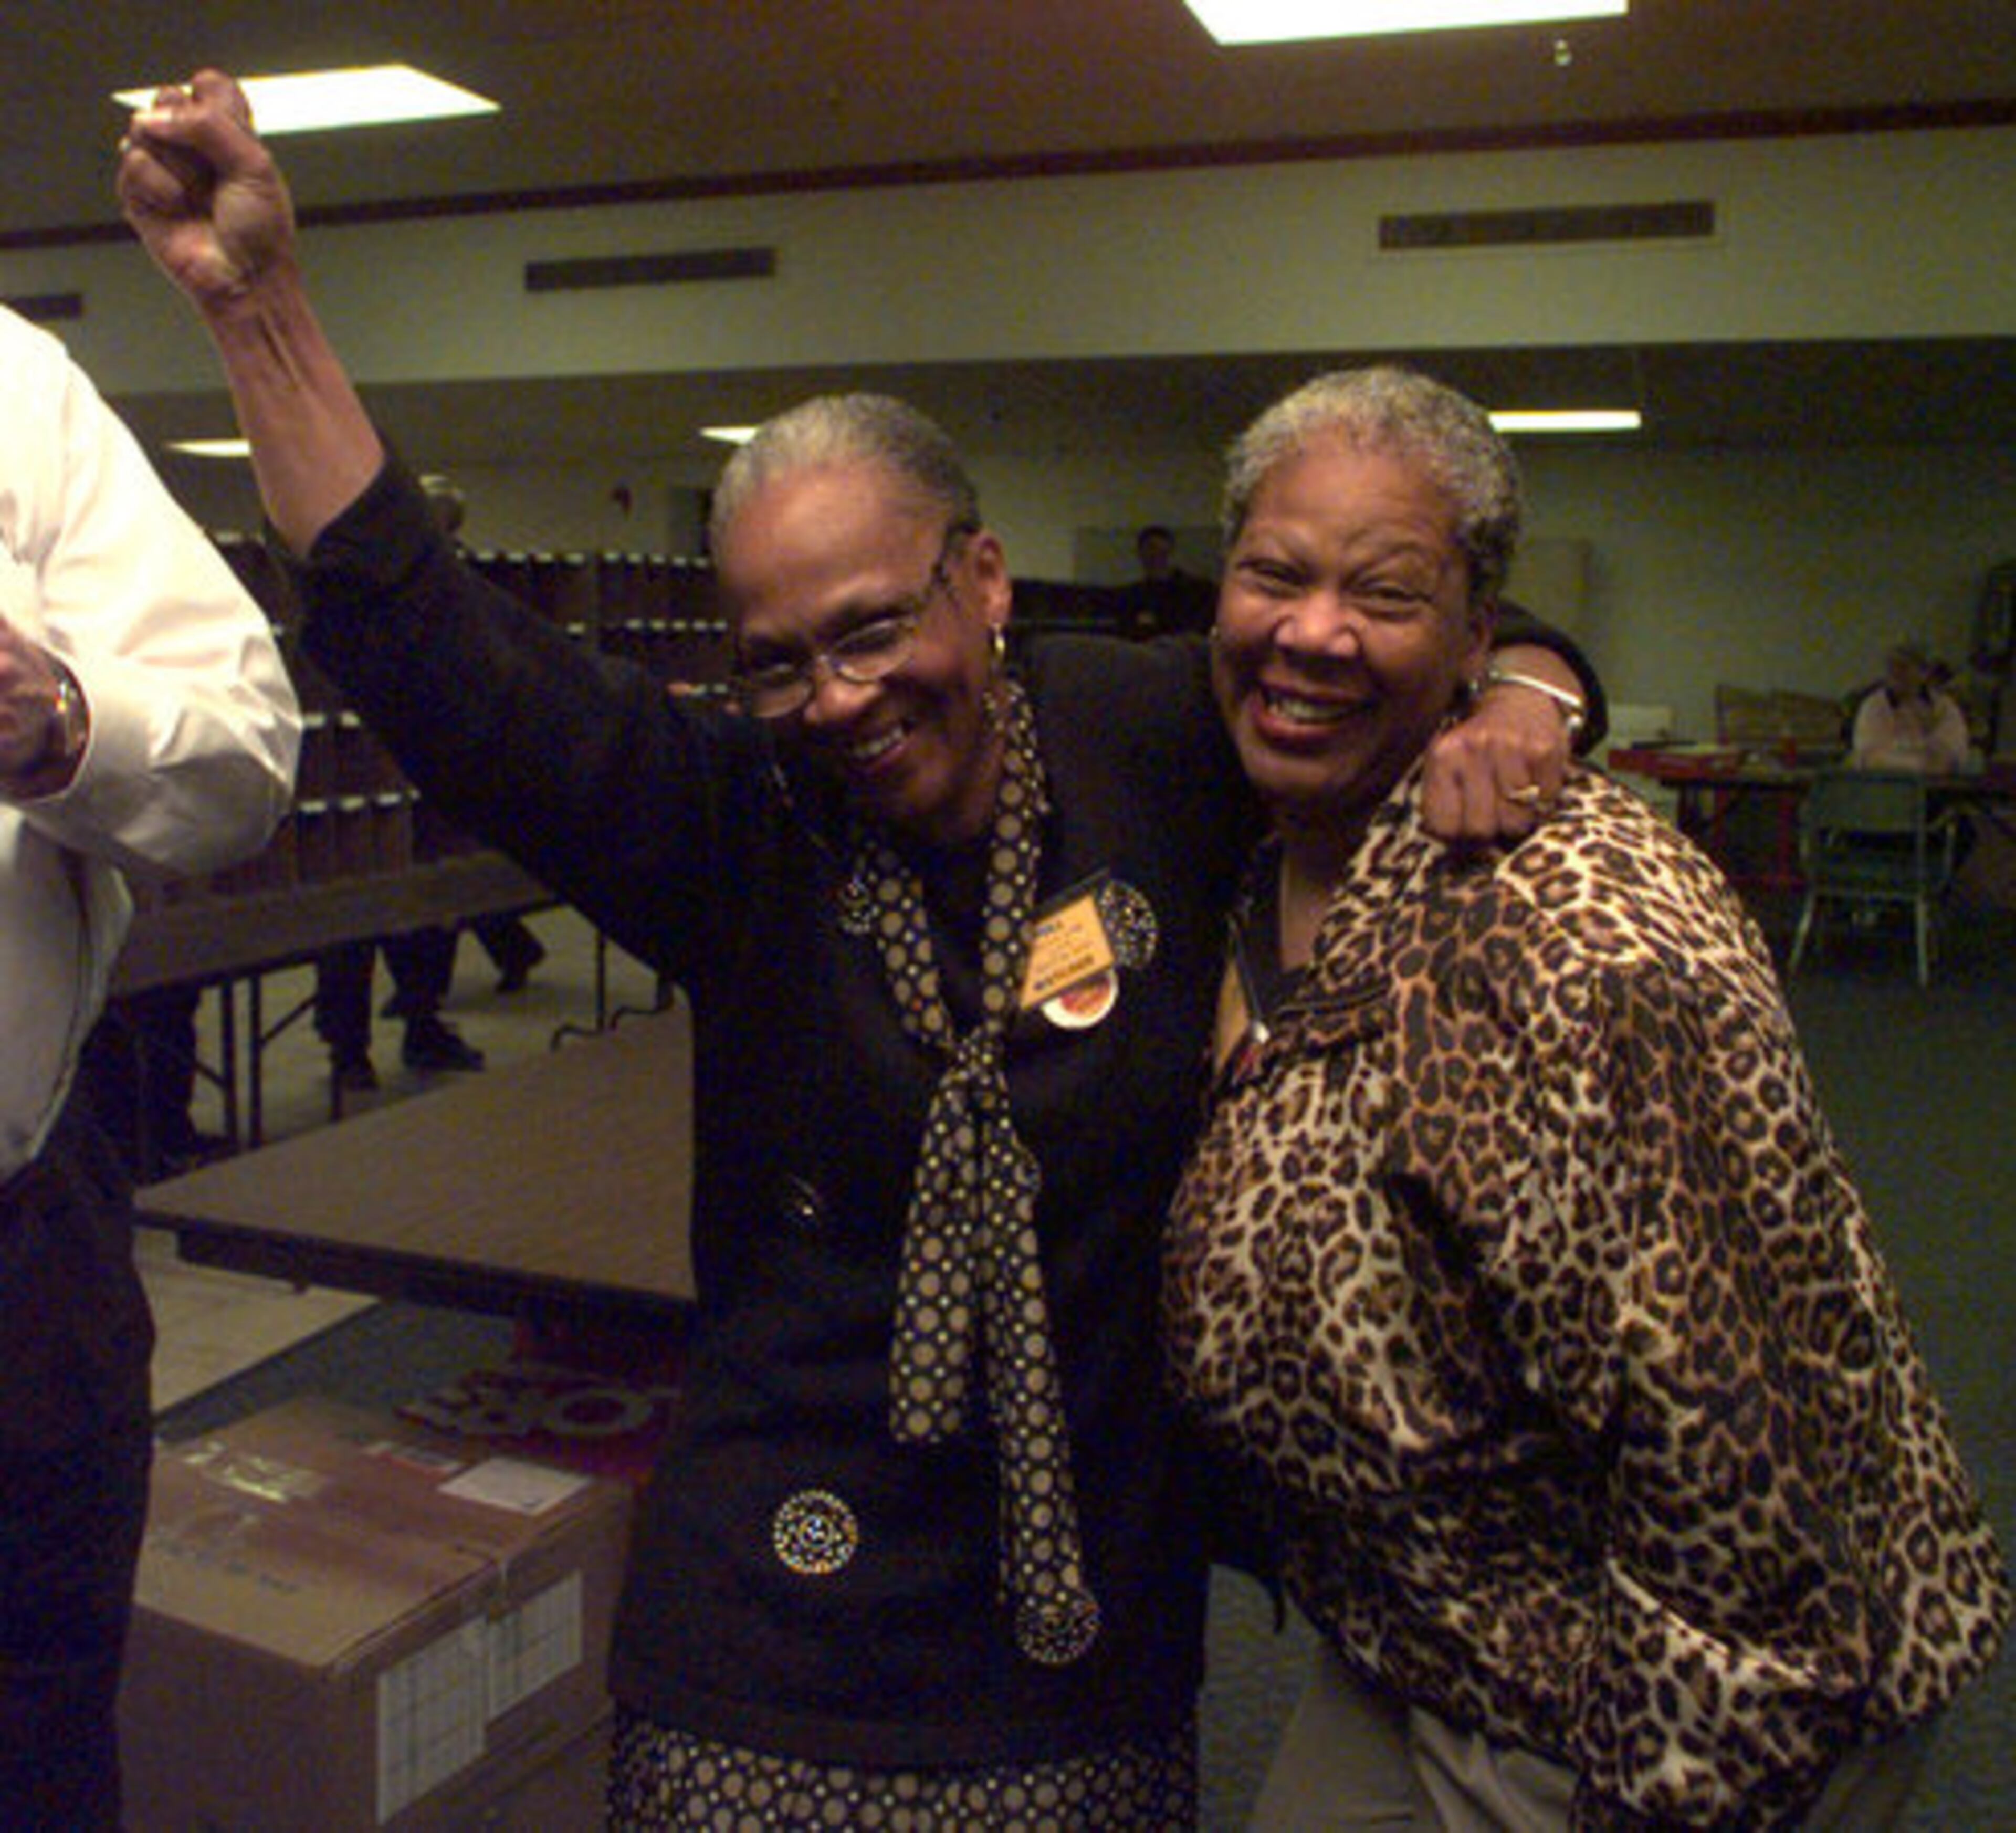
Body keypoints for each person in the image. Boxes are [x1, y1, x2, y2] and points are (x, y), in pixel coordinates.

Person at [117, 74, 1599, 1825]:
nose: (837, 696)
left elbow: (1365, 661)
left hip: (1085, 1637)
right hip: (769, 1644)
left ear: (981, 580)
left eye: (875, 628)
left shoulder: (1152, 739)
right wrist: (258, 308)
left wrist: (1534, 680)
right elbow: (440, 653)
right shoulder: (743, 821)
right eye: (780, 656)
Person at [1160, 365, 2010, 1828]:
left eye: (1385, 592)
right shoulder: (1278, 827)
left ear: (1477, 637)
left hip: (1656, 1694)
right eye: (1274, 574)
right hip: (1439, 1621)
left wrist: (1674, 1782)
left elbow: (1743, 1470)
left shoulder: (1585, 943)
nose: (1312, 629)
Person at [0, 301, 298, 1827]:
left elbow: (248, 752)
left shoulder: (12, 386)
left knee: (37, 1737)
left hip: (15, 1249)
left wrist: (60, 717)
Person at [1849, 641, 1970, 773]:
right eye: (1891, 667)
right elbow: (1871, 758)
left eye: (1903, 667)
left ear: (1924, 673)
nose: (1896, 673)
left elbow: (1949, 756)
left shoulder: (1945, 709)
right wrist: (1921, 760)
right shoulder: (1873, 707)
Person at [1123, 522, 1218, 637]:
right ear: (1140, 553)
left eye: (1162, 552)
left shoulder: (1198, 591)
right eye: (1152, 549)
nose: (1156, 556)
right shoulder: (1136, 595)